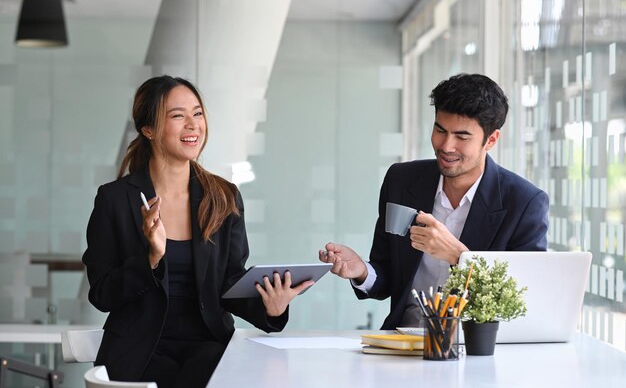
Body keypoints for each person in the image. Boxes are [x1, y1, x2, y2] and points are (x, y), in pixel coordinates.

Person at [83, 75, 313, 388]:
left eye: (198, 113)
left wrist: (271, 308)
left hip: (209, 348)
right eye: (178, 116)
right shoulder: (115, 199)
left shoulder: (223, 196)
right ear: (148, 129)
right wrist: (151, 258)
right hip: (139, 350)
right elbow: (102, 293)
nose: (193, 125)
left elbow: (230, 281)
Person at [319, 73, 548, 330]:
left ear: (491, 140)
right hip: (402, 346)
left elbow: (521, 301)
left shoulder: (525, 202)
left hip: (472, 351)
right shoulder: (401, 180)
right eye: (440, 130)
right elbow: (388, 276)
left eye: (462, 137)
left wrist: (459, 257)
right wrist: (362, 270)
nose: (446, 146)